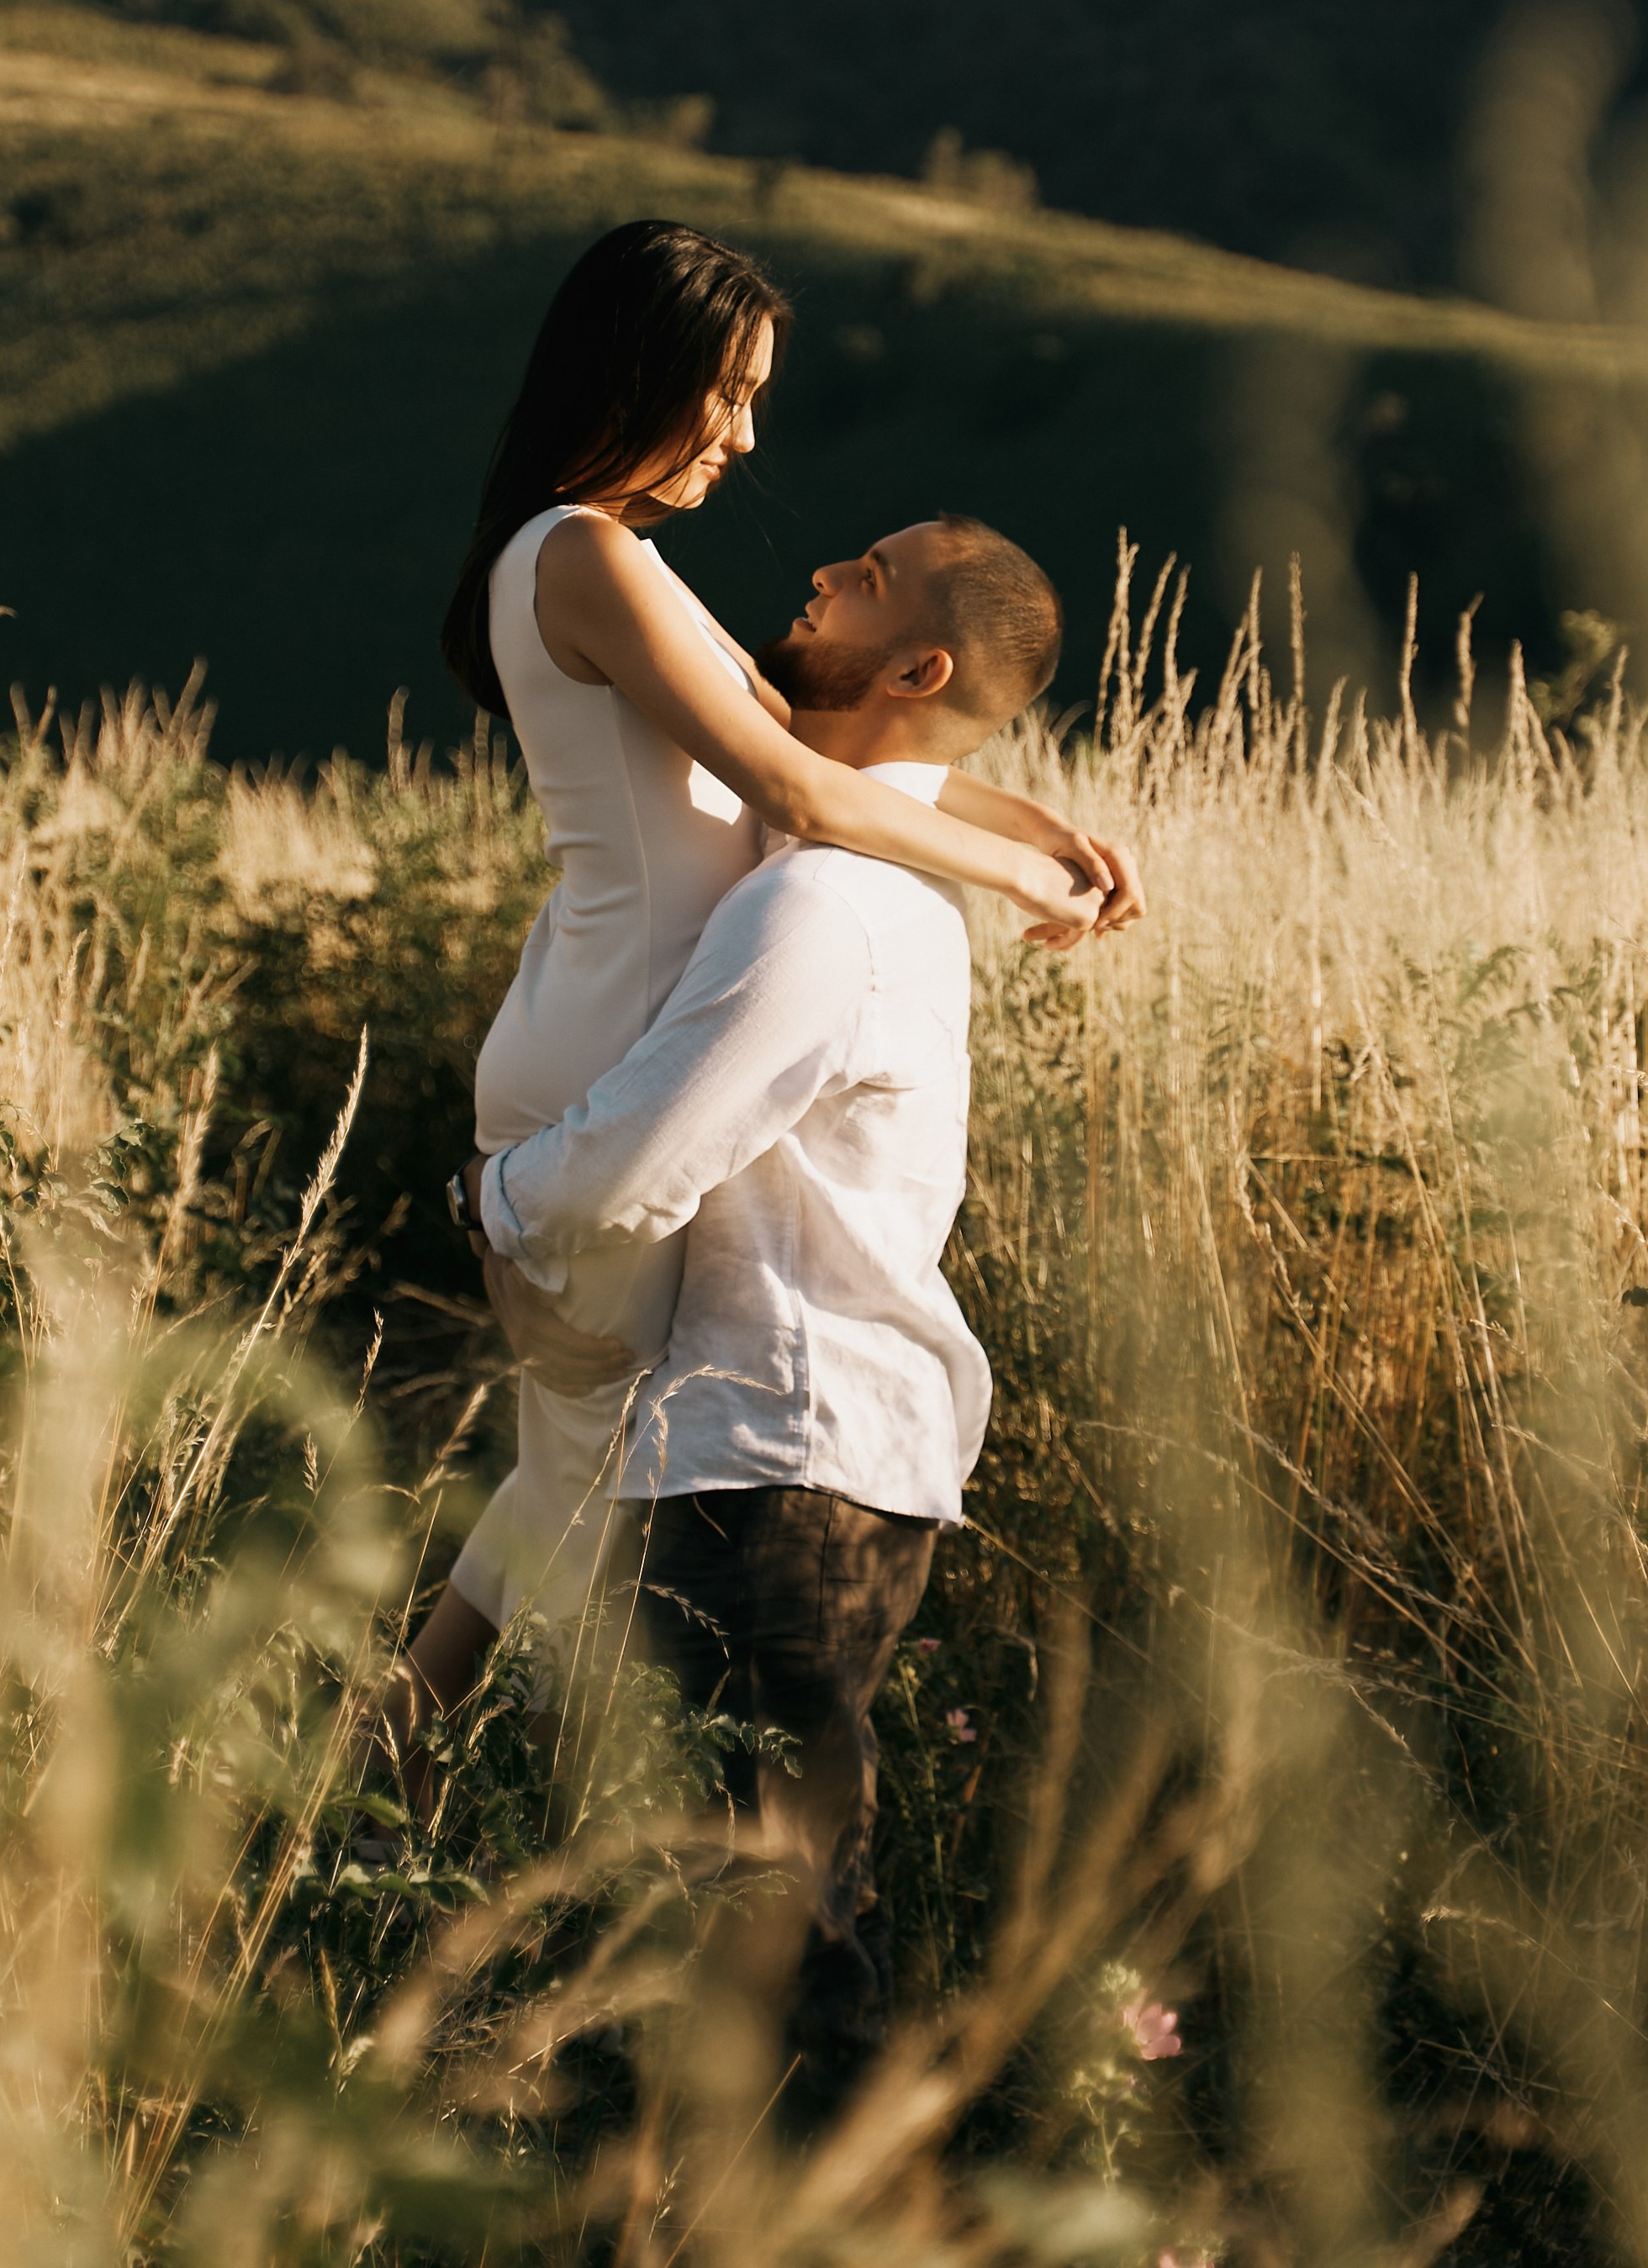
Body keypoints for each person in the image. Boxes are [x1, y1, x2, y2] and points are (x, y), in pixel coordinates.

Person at [399, 220, 1143, 1744]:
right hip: (611, 1036)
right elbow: (793, 792)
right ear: (641, 370)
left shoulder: (632, 569)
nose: (744, 437)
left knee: (579, 1451)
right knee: (587, 1459)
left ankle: (407, 1746)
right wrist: (1008, 875)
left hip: (624, 1017)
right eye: (728, 393)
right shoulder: (579, 556)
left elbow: (805, 741)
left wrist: (1028, 818)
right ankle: (435, 1751)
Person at [467, 513, 1093, 2116]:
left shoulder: (822, 908)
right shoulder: (862, 882)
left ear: (917, 668)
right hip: (808, 1463)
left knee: (762, 1957)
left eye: (863, 579)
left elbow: (632, 1170)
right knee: (742, 1938)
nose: (817, 572)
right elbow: (766, 729)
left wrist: (494, 1199)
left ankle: (834, 2205)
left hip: (773, 1466)